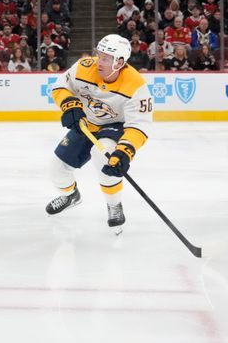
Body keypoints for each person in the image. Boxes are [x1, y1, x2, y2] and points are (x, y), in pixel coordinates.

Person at [45, 34, 152, 235]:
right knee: (56, 168)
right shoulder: (84, 66)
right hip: (88, 122)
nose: (98, 61)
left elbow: (139, 125)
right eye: (99, 55)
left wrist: (125, 151)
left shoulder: (136, 85)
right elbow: (60, 86)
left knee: (103, 155)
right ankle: (71, 196)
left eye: (105, 58)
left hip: (115, 126)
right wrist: (70, 105)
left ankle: (114, 204)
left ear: (119, 62)